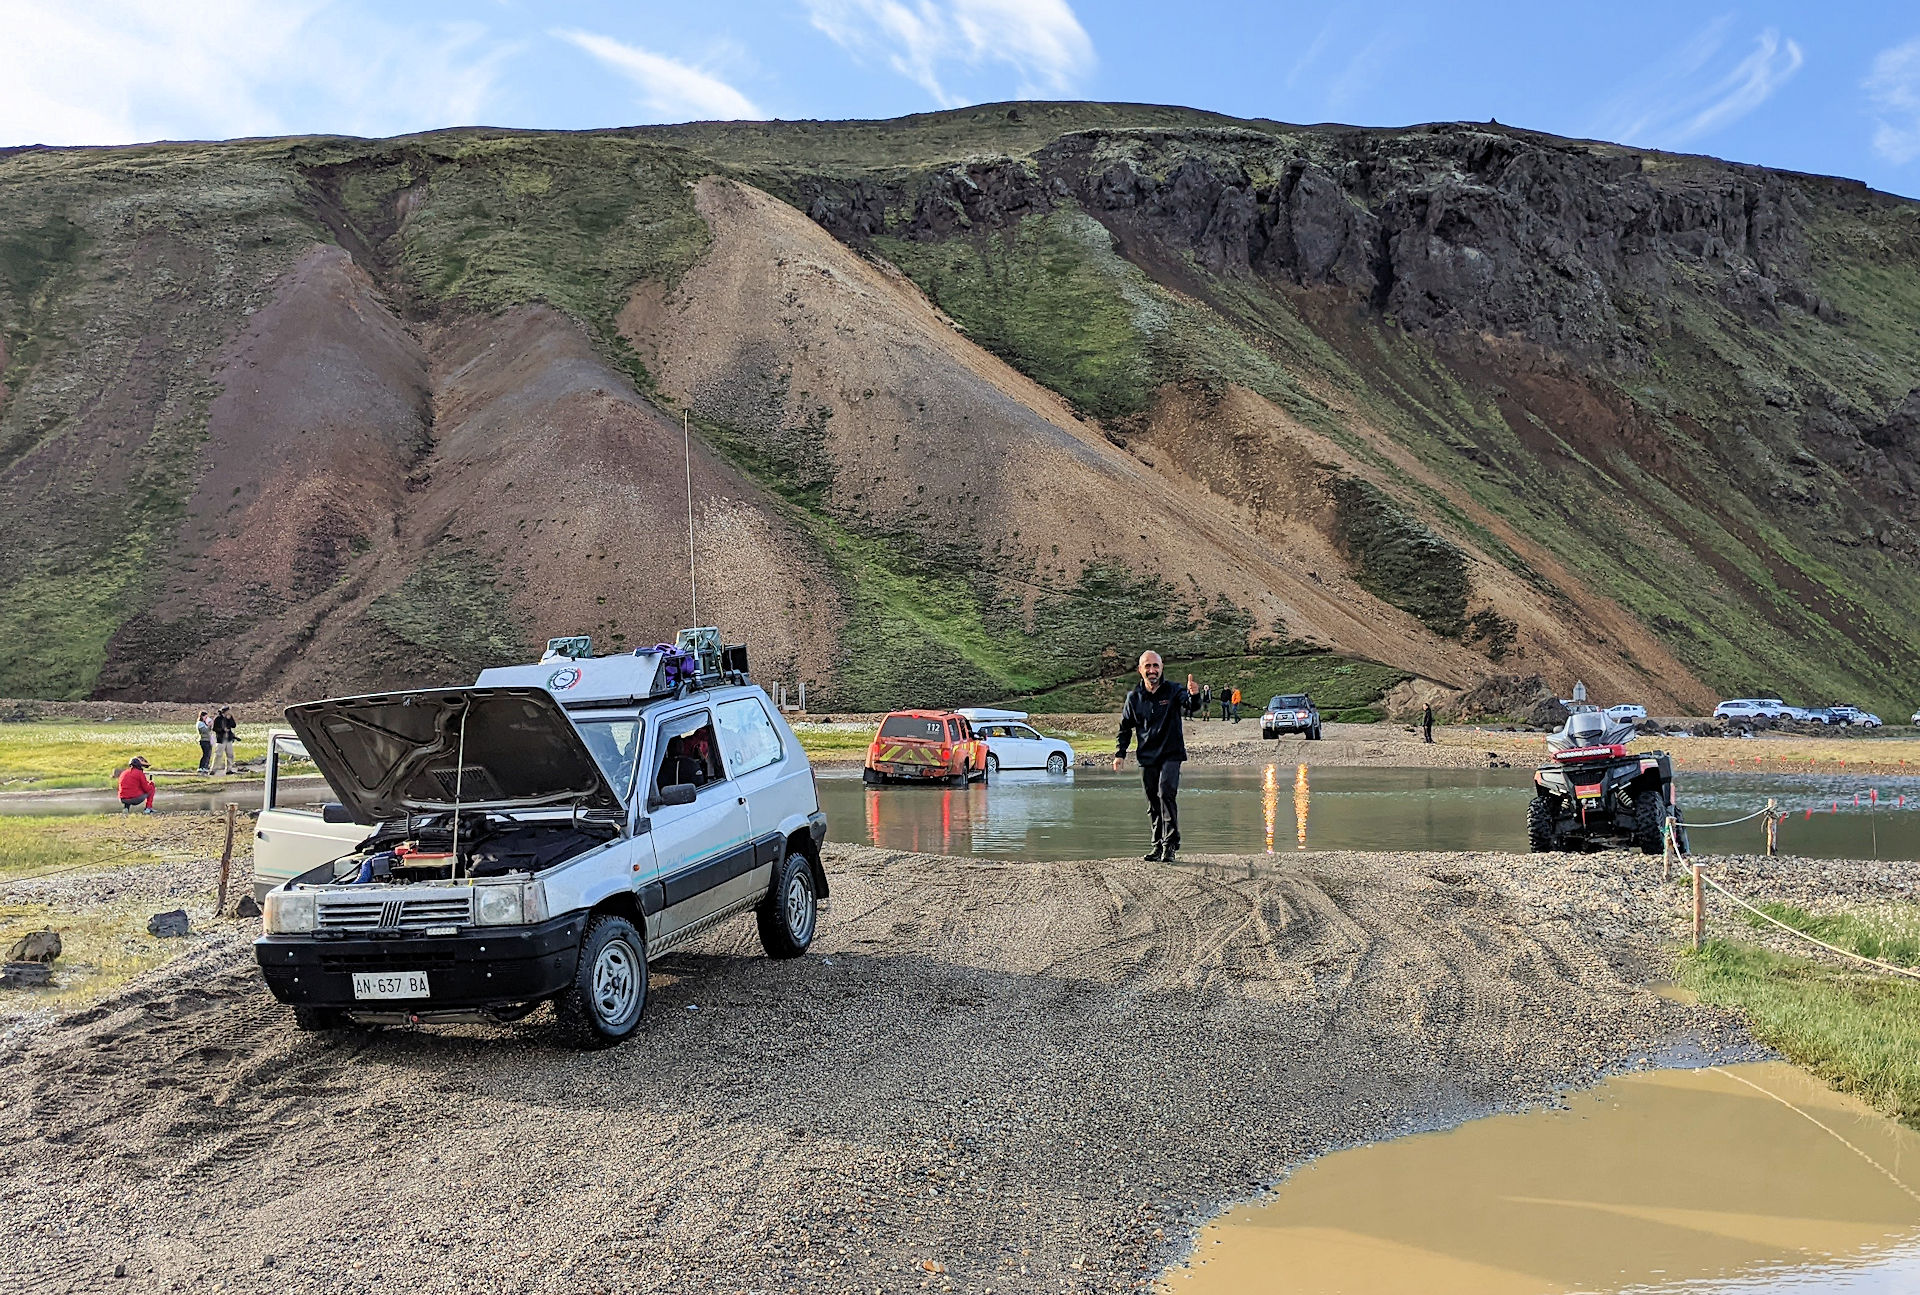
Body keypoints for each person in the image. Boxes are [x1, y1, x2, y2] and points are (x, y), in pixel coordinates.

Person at [1113, 650, 1188, 862]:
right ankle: (1157, 845)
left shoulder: (1173, 690)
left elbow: (1190, 705)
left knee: (1166, 793)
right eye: (1148, 666)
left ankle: (1170, 844)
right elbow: (1125, 728)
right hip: (1147, 756)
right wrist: (1120, 754)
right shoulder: (1134, 698)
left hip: (1171, 754)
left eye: (1155, 666)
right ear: (1140, 670)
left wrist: (1194, 696)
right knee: (1153, 801)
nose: (1152, 670)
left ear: (1161, 667)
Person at [211, 707, 238, 774]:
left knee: (230, 755)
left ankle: (229, 769)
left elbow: (234, 725)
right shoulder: (218, 718)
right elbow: (214, 728)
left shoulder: (229, 718)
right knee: (218, 755)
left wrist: (230, 719)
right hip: (220, 739)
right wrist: (222, 730)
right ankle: (213, 769)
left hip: (228, 739)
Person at [195, 711, 213, 775]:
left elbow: (209, 730)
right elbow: (204, 731)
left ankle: (206, 766)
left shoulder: (204, 723)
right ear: (202, 716)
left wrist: (210, 726)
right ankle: (201, 767)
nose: (206, 718)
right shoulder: (200, 723)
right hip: (203, 740)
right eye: (205, 716)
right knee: (205, 754)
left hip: (208, 740)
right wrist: (208, 725)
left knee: (208, 754)